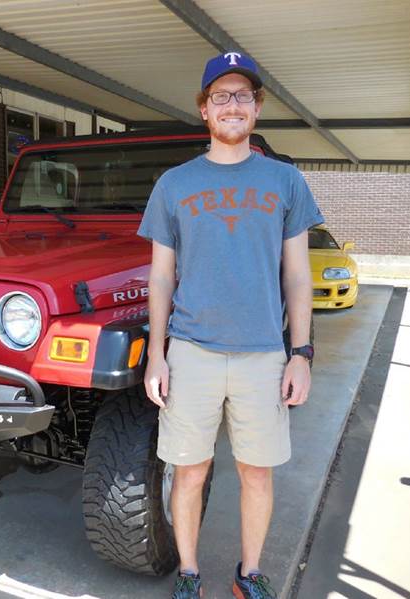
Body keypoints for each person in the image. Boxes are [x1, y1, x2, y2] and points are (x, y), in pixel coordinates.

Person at [137, 52, 323, 599]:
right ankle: (190, 574)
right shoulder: (174, 184)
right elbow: (161, 278)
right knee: (189, 471)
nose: (233, 105)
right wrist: (156, 355)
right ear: (204, 110)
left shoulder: (285, 180)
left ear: (258, 108)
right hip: (191, 350)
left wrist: (301, 353)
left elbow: (297, 275)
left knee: (256, 472)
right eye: (222, 96)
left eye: (243, 95)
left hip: (264, 353)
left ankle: (248, 575)